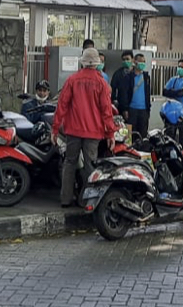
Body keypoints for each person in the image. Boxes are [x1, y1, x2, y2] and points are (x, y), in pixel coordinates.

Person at [53, 48, 116, 207]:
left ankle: (65, 199)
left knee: (69, 163)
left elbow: (62, 106)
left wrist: (54, 129)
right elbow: (106, 111)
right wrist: (110, 135)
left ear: (82, 62)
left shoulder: (72, 80)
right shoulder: (102, 83)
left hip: (72, 130)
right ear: (97, 64)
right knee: (90, 166)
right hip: (93, 133)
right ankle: (87, 200)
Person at [162, 59, 183, 148]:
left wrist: (172, 91)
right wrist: (175, 92)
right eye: (179, 67)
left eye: (182, 67)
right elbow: (164, 92)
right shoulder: (173, 79)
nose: (179, 69)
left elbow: (181, 94)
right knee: (169, 136)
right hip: (172, 112)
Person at [110, 51, 134, 116]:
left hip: (136, 107)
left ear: (132, 59)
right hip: (121, 107)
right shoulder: (118, 74)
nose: (125, 61)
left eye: (127, 59)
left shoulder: (136, 74)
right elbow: (113, 89)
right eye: (123, 60)